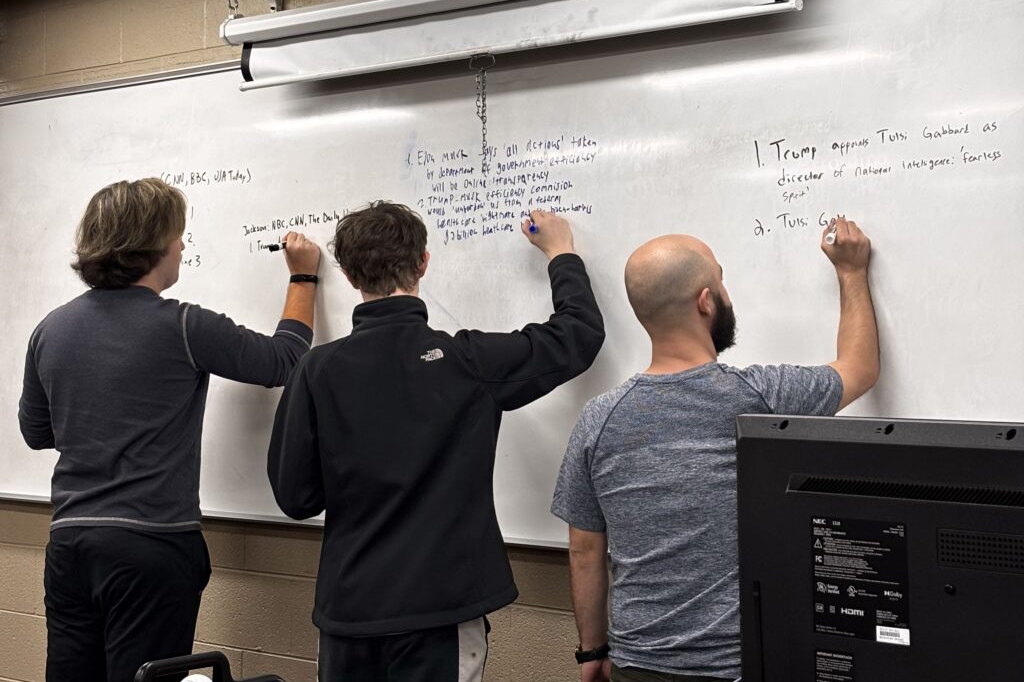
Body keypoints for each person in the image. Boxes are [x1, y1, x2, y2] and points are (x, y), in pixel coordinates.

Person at [267, 201, 605, 682]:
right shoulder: (466, 362)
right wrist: (561, 253)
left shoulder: (316, 370)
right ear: (424, 261)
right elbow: (579, 335)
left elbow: (296, 498)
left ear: (347, 275)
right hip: (442, 611)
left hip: (350, 610)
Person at [18, 177, 322, 682]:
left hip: (71, 546)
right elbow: (285, 361)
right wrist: (303, 279)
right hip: (152, 549)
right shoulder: (183, 326)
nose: (183, 245)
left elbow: (36, 431)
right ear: (153, 245)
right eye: (178, 235)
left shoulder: (50, 328)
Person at [552, 215, 879, 682]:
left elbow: (584, 549)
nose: (727, 294)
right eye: (721, 281)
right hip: (738, 667)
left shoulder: (598, 419)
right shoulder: (758, 397)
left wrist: (592, 651)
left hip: (635, 666)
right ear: (706, 302)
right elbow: (860, 368)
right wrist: (851, 272)